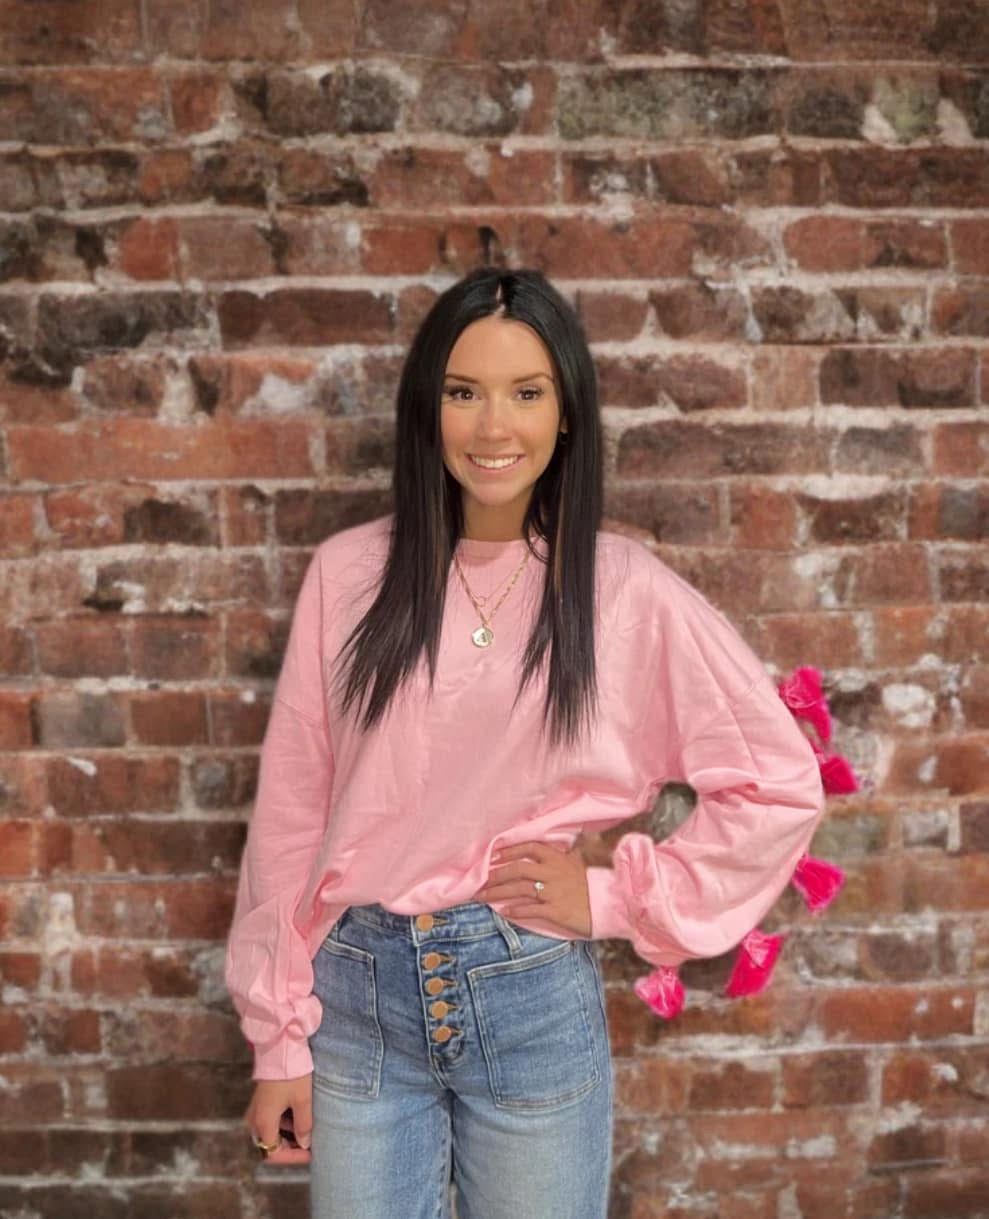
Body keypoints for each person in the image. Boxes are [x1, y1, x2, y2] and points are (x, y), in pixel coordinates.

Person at [224, 267, 826, 1218]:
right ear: (428, 410)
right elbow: (294, 818)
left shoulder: (620, 588)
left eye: (526, 392)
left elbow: (776, 782)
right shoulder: (348, 576)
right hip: (357, 1004)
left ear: (567, 413)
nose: (492, 427)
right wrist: (277, 1036)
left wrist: (613, 894)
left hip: (527, 990)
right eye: (463, 393)